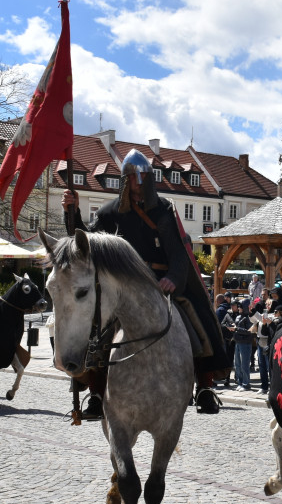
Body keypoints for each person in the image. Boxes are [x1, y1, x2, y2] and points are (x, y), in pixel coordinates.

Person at [62, 148, 230, 417]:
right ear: (126, 180)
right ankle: (95, 393)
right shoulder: (110, 213)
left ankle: (205, 387)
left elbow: (179, 252)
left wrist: (173, 279)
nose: (138, 183)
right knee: (96, 329)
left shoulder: (163, 209)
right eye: (132, 177)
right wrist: (72, 212)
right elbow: (87, 243)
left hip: (158, 284)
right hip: (122, 288)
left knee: (198, 318)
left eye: (142, 178)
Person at [224, 299, 255, 390]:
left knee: (244, 364)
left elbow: (250, 332)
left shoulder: (249, 317)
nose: (238, 308)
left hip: (245, 343)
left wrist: (236, 329)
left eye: (240, 306)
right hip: (237, 342)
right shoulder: (238, 316)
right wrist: (233, 328)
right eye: (238, 306)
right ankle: (240, 382)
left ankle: (246, 383)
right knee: (237, 364)